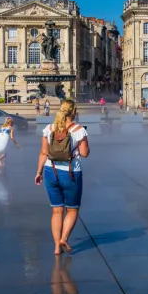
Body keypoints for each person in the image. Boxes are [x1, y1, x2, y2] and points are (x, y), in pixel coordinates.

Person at [36, 99, 89, 254]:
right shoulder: (79, 130)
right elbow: (85, 154)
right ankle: (64, 238)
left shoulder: (49, 128)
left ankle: (56, 247)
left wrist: (38, 172)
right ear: (74, 112)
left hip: (50, 172)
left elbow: (44, 152)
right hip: (71, 173)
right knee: (72, 210)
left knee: (56, 211)